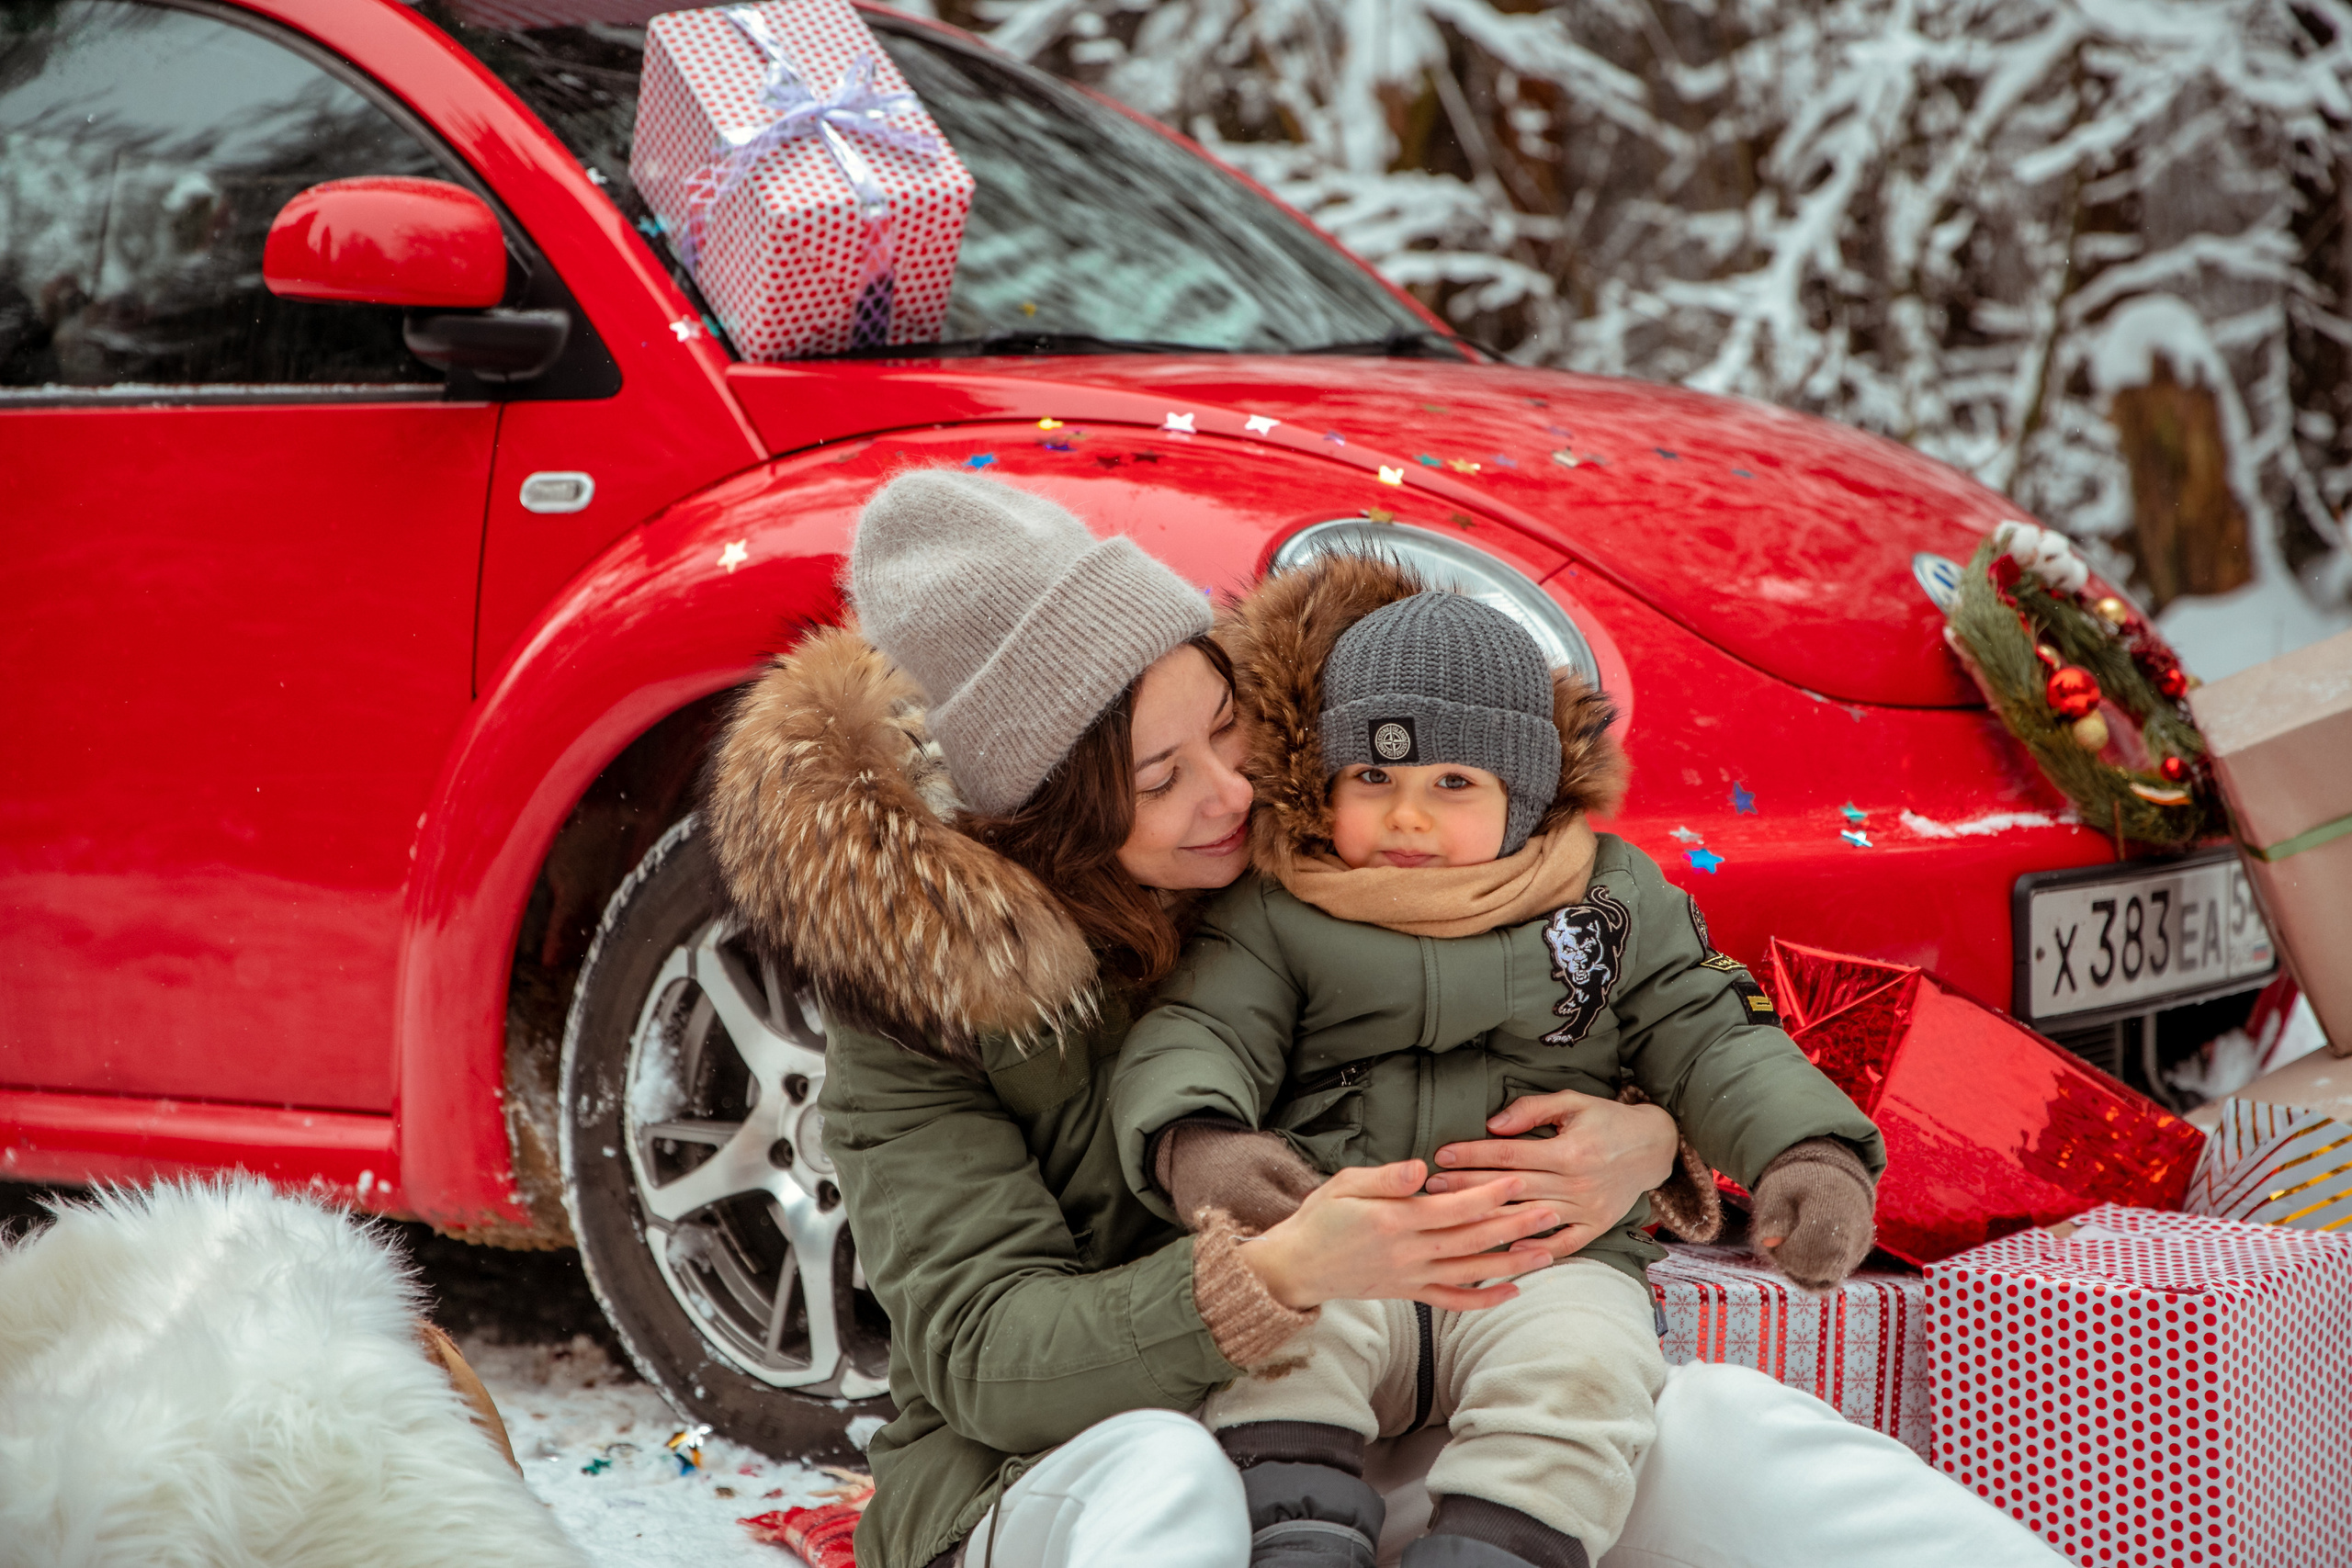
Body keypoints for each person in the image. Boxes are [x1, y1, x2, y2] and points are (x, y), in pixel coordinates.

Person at [706, 468, 2066, 1568]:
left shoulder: (1348, 831)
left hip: (1397, 1406)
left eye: (1228, 728)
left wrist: (1651, 1134)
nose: (1231, 793)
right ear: (1045, 818)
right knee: (1169, 1475)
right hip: (1070, 1470)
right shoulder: (917, 1009)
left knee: (1715, 1425)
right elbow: (986, 1361)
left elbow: (1626, 993)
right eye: (1159, 779)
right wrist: (1278, 1272)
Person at [1109, 559, 1885, 1568]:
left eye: (1452, 784)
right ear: (1323, 780)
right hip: (1351, 1240)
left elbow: (1714, 1033)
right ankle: (1296, 1530)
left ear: (1522, 796)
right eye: (1372, 779)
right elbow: (1203, 1026)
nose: (1407, 816)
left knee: (1585, 1371)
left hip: (1542, 1261)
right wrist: (1199, 1141)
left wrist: (1808, 1153)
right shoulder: (1279, 906)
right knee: (1285, 1335)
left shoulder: (1611, 903)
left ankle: (1497, 1547)